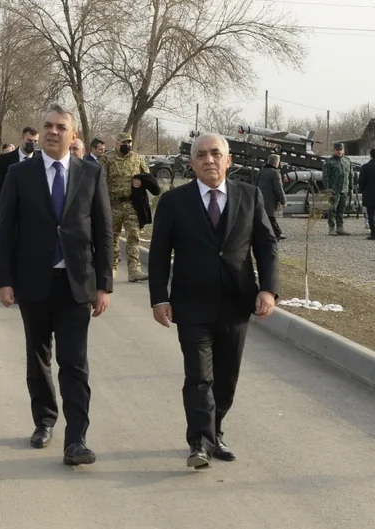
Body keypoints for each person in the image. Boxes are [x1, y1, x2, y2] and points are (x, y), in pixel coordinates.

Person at [0, 104, 114, 465]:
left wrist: (104, 285)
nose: (52, 132)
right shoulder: (20, 173)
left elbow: (104, 231)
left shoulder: (91, 173)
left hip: (77, 284)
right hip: (34, 282)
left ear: (73, 135)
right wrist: (3, 280)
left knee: (74, 363)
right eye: (47, 125)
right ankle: (44, 420)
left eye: (61, 127)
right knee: (38, 357)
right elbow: (6, 230)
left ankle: (76, 439)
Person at [148, 133, 278, 469]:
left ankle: (215, 432)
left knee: (226, 378)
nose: (209, 160)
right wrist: (159, 298)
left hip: (236, 304)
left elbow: (266, 246)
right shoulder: (174, 202)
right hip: (192, 305)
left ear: (228, 160)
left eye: (216, 153)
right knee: (198, 377)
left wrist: (268, 289)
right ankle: (199, 442)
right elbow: (159, 254)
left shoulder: (249, 196)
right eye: (202, 155)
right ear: (192, 163)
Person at [101, 133, 150, 282]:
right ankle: (111, 267)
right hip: (113, 203)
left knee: (133, 236)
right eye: (124, 142)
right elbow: (100, 180)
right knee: (112, 237)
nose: (127, 145)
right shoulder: (107, 159)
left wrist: (141, 182)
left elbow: (148, 176)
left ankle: (134, 270)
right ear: (117, 144)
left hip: (131, 204)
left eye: (129, 142)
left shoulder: (136, 158)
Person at [0, 127, 40, 219]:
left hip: (34, 211)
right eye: (29, 140)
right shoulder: (5, 159)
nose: (32, 143)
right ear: (21, 139)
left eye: (35, 141)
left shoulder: (41, 160)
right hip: (10, 209)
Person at [322, 142, 354, 236]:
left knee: (341, 209)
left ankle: (340, 227)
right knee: (332, 209)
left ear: (343, 150)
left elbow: (350, 176)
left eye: (341, 150)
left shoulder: (347, 161)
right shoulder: (329, 162)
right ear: (334, 150)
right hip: (334, 190)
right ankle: (331, 228)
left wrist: (351, 188)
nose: (339, 152)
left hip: (344, 189)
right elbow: (325, 177)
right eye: (337, 150)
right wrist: (328, 190)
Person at [256, 154, 287, 241]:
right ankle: (277, 234)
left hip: (260, 199)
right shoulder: (275, 173)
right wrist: (283, 201)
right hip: (270, 200)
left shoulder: (261, 172)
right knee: (270, 218)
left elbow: (255, 185)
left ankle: (272, 234)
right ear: (276, 162)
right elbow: (278, 189)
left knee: (265, 217)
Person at [359, 148, 375, 240]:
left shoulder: (365, 167)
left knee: (371, 214)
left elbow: (361, 181)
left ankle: (373, 233)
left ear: (371, 155)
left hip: (369, 194)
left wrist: (363, 190)